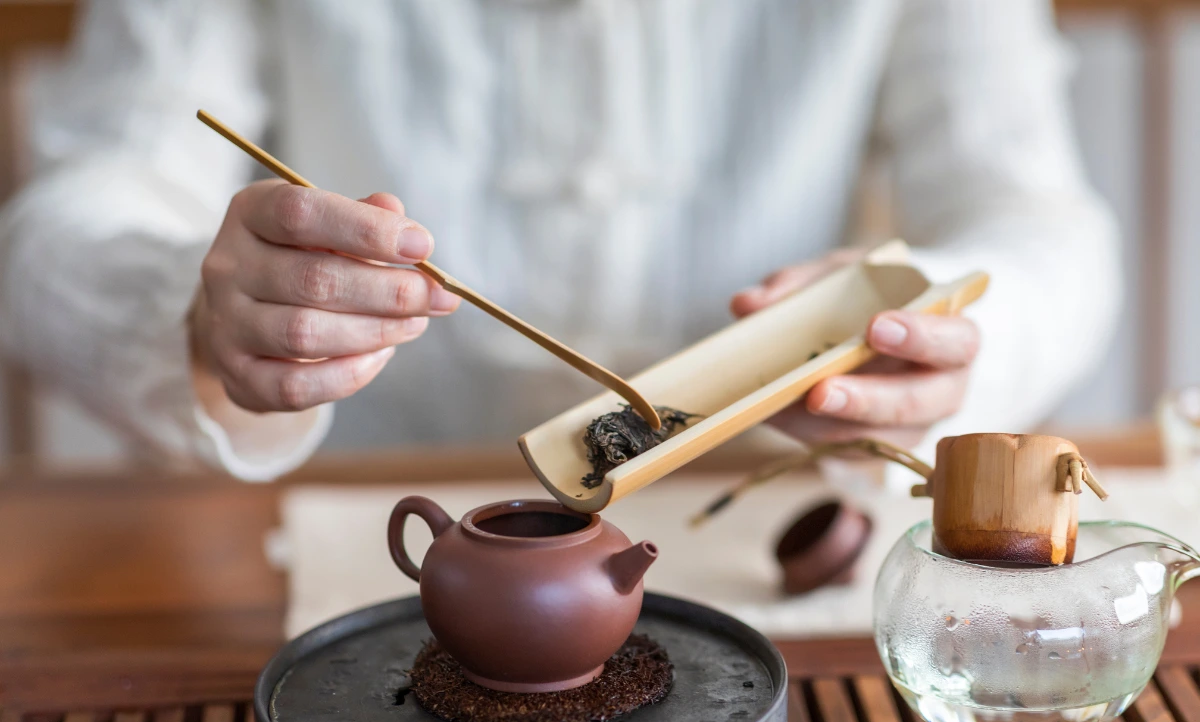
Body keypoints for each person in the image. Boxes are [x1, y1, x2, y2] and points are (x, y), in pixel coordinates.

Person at [0, 0, 1119, 481]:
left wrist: (933, 326)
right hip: (352, 536)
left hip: (774, 530)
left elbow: (1039, 223)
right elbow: (69, 215)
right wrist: (195, 316)